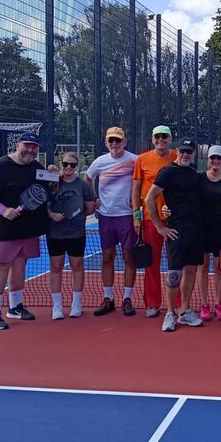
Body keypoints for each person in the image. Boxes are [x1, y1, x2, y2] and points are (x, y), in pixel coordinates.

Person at [0, 132, 47, 330]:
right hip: (0, 229)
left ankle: (15, 307)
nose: (30, 150)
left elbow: (50, 185)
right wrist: (3, 210)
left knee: (19, 266)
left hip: (26, 229)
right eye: (27, 145)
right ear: (18, 145)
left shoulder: (36, 167)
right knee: (1, 267)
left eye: (34, 147)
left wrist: (53, 172)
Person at [145, 139, 205, 332]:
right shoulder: (168, 172)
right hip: (176, 230)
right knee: (174, 274)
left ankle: (185, 311)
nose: (186, 154)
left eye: (189, 151)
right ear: (177, 151)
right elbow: (149, 198)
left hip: (195, 230)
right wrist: (160, 227)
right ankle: (170, 313)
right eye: (183, 151)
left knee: (191, 271)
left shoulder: (194, 173)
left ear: (193, 153)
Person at [85, 127, 138, 316]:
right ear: (106, 142)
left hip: (127, 216)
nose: (114, 144)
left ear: (124, 141)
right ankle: (108, 298)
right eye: (111, 141)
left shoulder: (134, 160)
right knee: (107, 257)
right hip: (106, 217)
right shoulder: (100, 162)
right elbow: (87, 178)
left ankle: (127, 299)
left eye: (118, 140)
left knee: (128, 257)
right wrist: (94, 197)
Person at [131, 125, 177, 318]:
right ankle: (152, 303)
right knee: (152, 264)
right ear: (152, 139)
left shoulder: (178, 156)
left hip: (175, 219)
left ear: (170, 138)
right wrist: (136, 215)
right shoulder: (142, 159)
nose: (161, 140)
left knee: (176, 263)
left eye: (164, 136)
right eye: (157, 137)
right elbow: (136, 189)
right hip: (151, 220)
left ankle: (178, 303)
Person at [47, 152, 96, 319]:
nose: (68, 167)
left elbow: (90, 208)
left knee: (77, 266)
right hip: (55, 233)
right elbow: (44, 203)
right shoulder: (53, 182)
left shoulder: (83, 186)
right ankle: (57, 306)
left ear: (77, 167)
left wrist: (75, 212)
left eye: (72, 165)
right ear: (61, 163)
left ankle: (76, 304)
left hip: (76, 233)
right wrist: (52, 215)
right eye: (66, 164)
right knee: (56, 267)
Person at [196, 145, 221, 321]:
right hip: (201, 230)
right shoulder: (199, 179)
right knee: (202, 268)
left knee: (220, 269)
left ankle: (218, 304)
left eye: (219, 158)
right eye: (213, 158)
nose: (215, 161)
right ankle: (204, 305)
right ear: (208, 159)